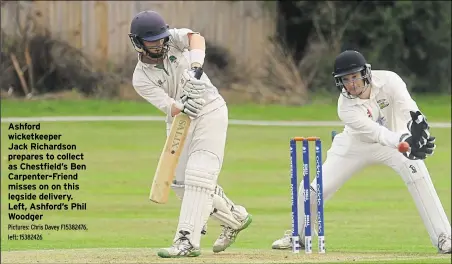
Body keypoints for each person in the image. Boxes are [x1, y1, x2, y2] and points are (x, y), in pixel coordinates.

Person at [271, 50, 451, 254]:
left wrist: (419, 132)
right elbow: (377, 133)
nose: (352, 84)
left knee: (418, 177)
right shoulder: (345, 107)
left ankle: (444, 237)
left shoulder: (390, 80)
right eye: (345, 79)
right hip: (354, 145)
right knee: (315, 191)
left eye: (355, 76)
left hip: (396, 139)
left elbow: (409, 110)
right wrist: (404, 141)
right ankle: (301, 236)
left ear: (365, 73)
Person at [128, 10, 252, 258]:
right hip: (180, 120)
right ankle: (235, 217)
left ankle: (187, 241)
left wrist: (195, 68)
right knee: (180, 184)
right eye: (151, 41)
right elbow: (168, 106)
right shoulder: (140, 78)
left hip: (210, 110)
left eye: (160, 38)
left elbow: (197, 38)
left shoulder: (174, 39)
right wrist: (182, 106)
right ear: (138, 42)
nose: (158, 44)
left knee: (199, 175)